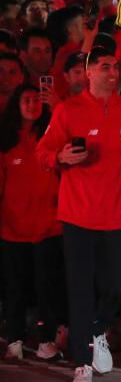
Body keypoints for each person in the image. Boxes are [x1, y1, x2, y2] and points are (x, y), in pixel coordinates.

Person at [35, 47, 121, 382]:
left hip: (115, 214)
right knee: (80, 289)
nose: (113, 73)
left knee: (115, 285)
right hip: (77, 215)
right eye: (104, 67)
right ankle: (81, 364)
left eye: (115, 67)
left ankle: (96, 331)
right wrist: (61, 156)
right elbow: (42, 153)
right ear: (88, 72)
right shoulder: (69, 110)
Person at [1, 84, 65, 361]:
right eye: (25, 99)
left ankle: (47, 341)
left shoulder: (52, 136)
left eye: (36, 99)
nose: (31, 104)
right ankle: (14, 339)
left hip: (48, 227)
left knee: (46, 288)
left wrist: (59, 103)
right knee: (15, 288)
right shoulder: (5, 141)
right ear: (16, 104)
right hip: (12, 228)